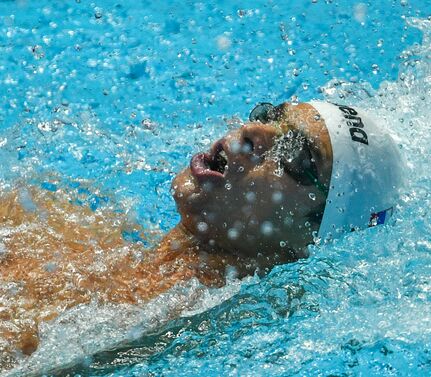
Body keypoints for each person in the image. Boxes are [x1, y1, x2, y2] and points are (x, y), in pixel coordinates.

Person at [0, 101, 403, 368]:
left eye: (296, 155)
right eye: (270, 114)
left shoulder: (156, 321)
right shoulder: (82, 229)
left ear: (308, 238)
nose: (252, 130)